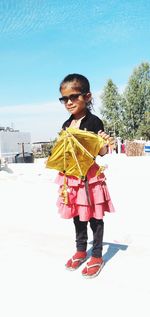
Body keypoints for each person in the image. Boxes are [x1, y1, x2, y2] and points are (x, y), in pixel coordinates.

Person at [55, 73, 115, 278]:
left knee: (95, 218)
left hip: (89, 177)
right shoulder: (66, 124)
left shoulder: (94, 121)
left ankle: (97, 255)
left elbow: (101, 151)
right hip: (71, 177)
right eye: (64, 98)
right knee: (77, 216)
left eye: (74, 97)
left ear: (87, 97)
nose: (69, 102)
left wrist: (106, 143)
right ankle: (81, 250)